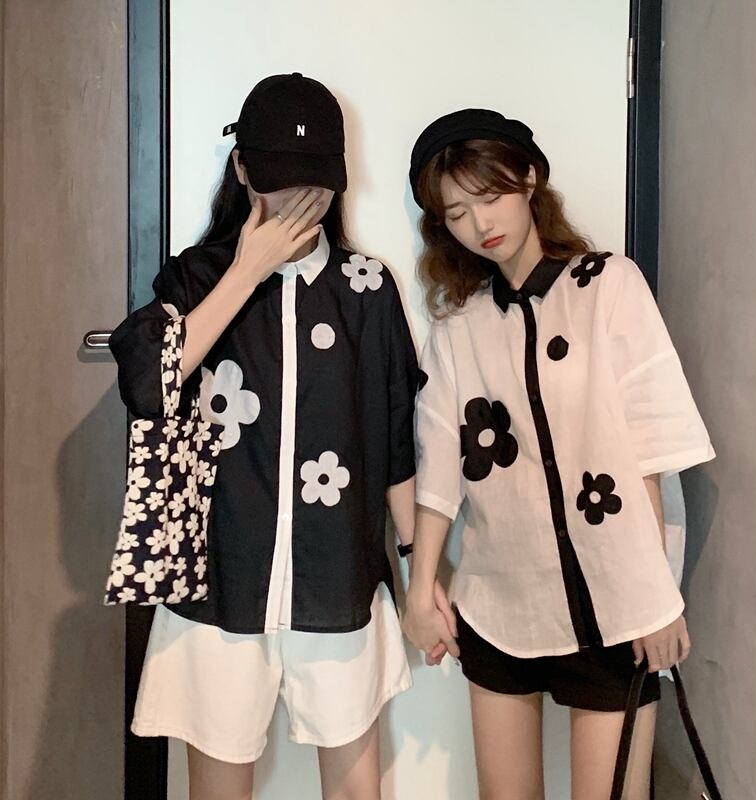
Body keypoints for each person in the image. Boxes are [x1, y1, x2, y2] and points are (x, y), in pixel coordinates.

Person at [110, 73, 434, 800]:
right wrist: (247, 269)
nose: (297, 200)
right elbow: (146, 386)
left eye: (314, 180)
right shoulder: (197, 278)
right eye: (279, 178)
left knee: (356, 789)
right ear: (243, 169)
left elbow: (394, 440)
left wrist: (419, 571)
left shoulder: (365, 287)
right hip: (220, 582)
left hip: (338, 579)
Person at [402, 108, 715, 800]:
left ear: (528, 179)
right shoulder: (458, 328)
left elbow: (653, 450)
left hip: (614, 608)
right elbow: (439, 470)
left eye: (490, 196)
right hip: (498, 605)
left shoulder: (609, 285)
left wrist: (656, 598)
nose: (480, 223)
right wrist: (420, 589)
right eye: (456, 213)